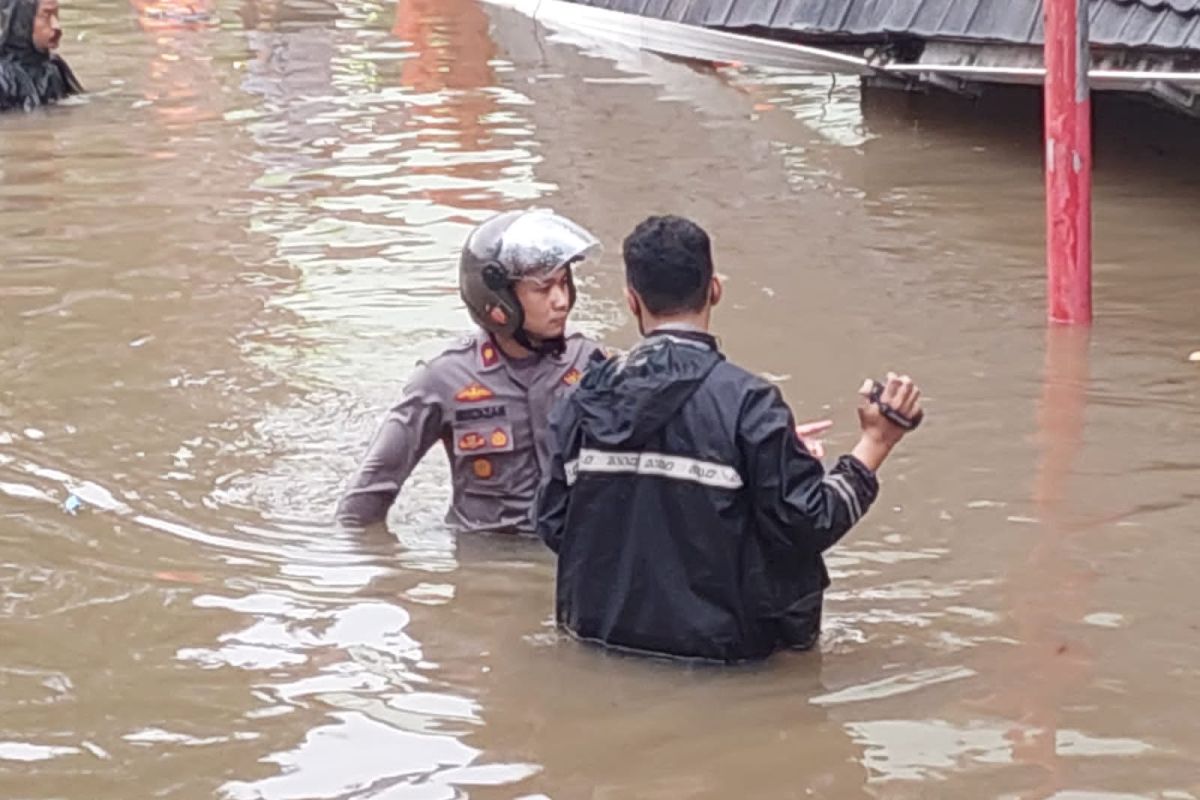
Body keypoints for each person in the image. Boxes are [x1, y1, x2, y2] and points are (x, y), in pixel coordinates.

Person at [535, 215, 924, 663]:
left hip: (601, 645)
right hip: (723, 659)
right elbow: (808, 522)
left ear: (631, 300)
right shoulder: (748, 405)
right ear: (715, 290)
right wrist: (877, 442)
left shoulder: (580, 401)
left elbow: (555, 523)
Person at [337, 208, 609, 532]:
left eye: (564, 283)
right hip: (487, 565)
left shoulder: (591, 363)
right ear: (497, 301)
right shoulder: (442, 380)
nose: (561, 301)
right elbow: (360, 509)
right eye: (543, 288)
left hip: (574, 563)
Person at [0, 0, 82, 113]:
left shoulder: (55, 69)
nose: (56, 26)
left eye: (56, 14)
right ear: (23, 21)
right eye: (46, 15)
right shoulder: (3, 79)